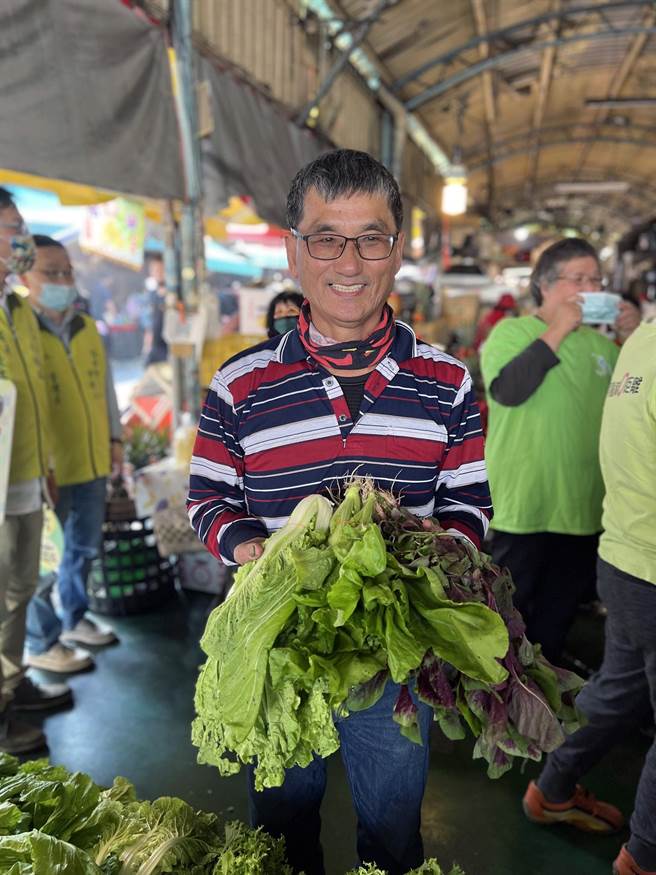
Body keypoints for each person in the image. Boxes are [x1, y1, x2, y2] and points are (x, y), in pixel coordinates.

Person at [187, 149, 491, 875]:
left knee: (392, 827)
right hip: (276, 647)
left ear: (397, 250)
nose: (348, 261)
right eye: (326, 237)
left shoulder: (447, 382)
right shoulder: (240, 383)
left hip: (391, 660)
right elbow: (207, 499)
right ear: (296, 251)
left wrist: (420, 550)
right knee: (282, 826)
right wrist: (257, 552)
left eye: (371, 237)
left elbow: (470, 509)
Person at [522, 315, 656, 875]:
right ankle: (645, 856)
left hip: (624, 558)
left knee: (619, 693)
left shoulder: (644, 337)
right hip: (649, 564)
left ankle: (550, 791)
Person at [480, 238, 639, 664]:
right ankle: (505, 699)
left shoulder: (607, 349)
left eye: (596, 280)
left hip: (584, 505)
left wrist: (636, 339)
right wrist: (559, 328)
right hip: (525, 504)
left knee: (559, 613)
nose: (591, 288)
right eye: (579, 279)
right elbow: (509, 391)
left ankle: (547, 694)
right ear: (545, 285)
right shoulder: (511, 332)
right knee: (511, 615)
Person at [21, 235, 119, 675]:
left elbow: (109, 392)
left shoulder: (85, 328)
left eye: (66, 271)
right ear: (25, 276)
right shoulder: (23, 331)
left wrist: (116, 441)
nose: (62, 280)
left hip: (93, 460)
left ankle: (74, 619)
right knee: (41, 559)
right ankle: (41, 640)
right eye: (51, 272)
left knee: (82, 548)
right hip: (47, 469)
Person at [0, 189, 72, 753]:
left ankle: (9, 681)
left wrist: (47, 463)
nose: (22, 240)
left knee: (19, 587)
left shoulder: (19, 308)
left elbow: (31, 395)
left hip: (24, 477)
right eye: (13, 229)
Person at [141, 253, 168, 366]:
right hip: (154, 349)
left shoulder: (174, 295)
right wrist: (146, 347)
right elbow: (150, 325)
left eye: (160, 269)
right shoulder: (152, 294)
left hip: (169, 349)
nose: (157, 272)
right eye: (154, 269)